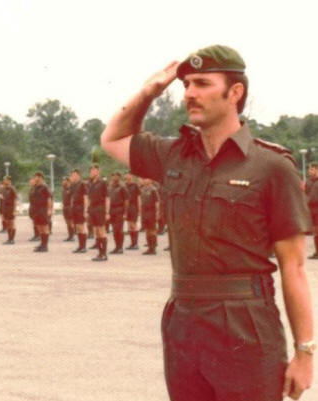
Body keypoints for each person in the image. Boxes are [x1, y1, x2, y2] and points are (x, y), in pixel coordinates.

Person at [101, 45, 313, 400]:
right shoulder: (173, 155)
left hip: (245, 323)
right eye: (185, 85)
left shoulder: (271, 166)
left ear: (235, 93)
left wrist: (305, 353)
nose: (189, 94)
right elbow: (114, 139)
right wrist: (149, 91)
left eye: (201, 84)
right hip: (183, 320)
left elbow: (294, 267)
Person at [86, 165, 109, 261]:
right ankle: (99, 253)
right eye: (91, 171)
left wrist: (107, 212)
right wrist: (88, 210)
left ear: (98, 171)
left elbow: (107, 198)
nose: (92, 172)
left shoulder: (103, 182)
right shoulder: (91, 183)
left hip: (100, 208)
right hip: (93, 208)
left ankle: (104, 254)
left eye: (94, 171)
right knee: (96, 231)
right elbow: (89, 198)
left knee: (101, 231)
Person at [29, 172, 53, 252]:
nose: (35, 178)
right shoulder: (35, 187)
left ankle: (45, 246)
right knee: (39, 227)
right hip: (36, 210)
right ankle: (42, 244)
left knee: (44, 227)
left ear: (40, 178)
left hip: (43, 209)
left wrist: (49, 209)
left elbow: (49, 198)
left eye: (37, 177)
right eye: (35, 177)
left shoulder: (44, 187)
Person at [108, 172, 129, 254]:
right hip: (112, 210)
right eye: (113, 176)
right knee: (114, 229)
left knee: (119, 229)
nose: (114, 178)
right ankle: (116, 246)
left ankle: (120, 247)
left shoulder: (122, 187)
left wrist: (125, 213)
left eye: (116, 176)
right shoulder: (110, 187)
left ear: (119, 177)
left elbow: (126, 201)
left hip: (119, 209)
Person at [138, 178, 160, 255]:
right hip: (144, 211)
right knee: (147, 230)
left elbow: (157, 202)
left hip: (151, 211)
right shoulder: (142, 189)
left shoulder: (153, 189)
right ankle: (149, 247)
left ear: (150, 180)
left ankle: (153, 248)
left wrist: (157, 212)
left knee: (152, 229)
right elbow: (141, 200)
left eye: (146, 179)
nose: (144, 180)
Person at [69, 169, 88, 253]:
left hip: (81, 207)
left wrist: (85, 210)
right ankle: (80, 246)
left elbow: (85, 197)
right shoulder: (72, 185)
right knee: (77, 227)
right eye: (72, 175)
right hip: (75, 208)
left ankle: (83, 247)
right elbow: (72, 197)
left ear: (78, 175)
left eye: (75, 175)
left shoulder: (82, 184)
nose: (73, 176)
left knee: (81, 227)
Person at [124, 172, 141, 250]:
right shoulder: (124, 186)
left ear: (131, 176)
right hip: (127, 207)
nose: (127, 177)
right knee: (129, 225)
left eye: (128, 175)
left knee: (133, 225)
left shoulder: (135, 186)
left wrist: (139, 209)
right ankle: (132, 243)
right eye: (126, 176)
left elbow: (138, 198)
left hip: (133, 206)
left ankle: (135, 243)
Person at [0, 175, 18, 245]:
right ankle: (9, 238)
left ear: (9, 181)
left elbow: (15, 199)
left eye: (5, 180)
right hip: (5, 209)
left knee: (11, 223)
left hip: (11, 208)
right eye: (4, 180)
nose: (4, 181)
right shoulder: (3, 189)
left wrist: (14, 210)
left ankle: (12, 239)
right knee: (7, 224)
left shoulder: (12, 188)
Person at [305, 163, 318, 259]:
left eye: (312, 169)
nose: (310, 171)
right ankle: (317, 252)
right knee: (315, 233)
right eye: (309, 170)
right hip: (312, 210)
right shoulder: (308, 182)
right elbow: (305, 194)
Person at [62, 177, 75, 242]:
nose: (63, 182)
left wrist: (72, 207)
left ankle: (72, 236)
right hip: (65, 207)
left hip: (70, 207)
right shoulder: (63, 189)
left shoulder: (71, 189)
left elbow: (73, 198)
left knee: (71, 222)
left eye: (64, 180)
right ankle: (69, 236)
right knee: (67, 222)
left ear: (68, 181)